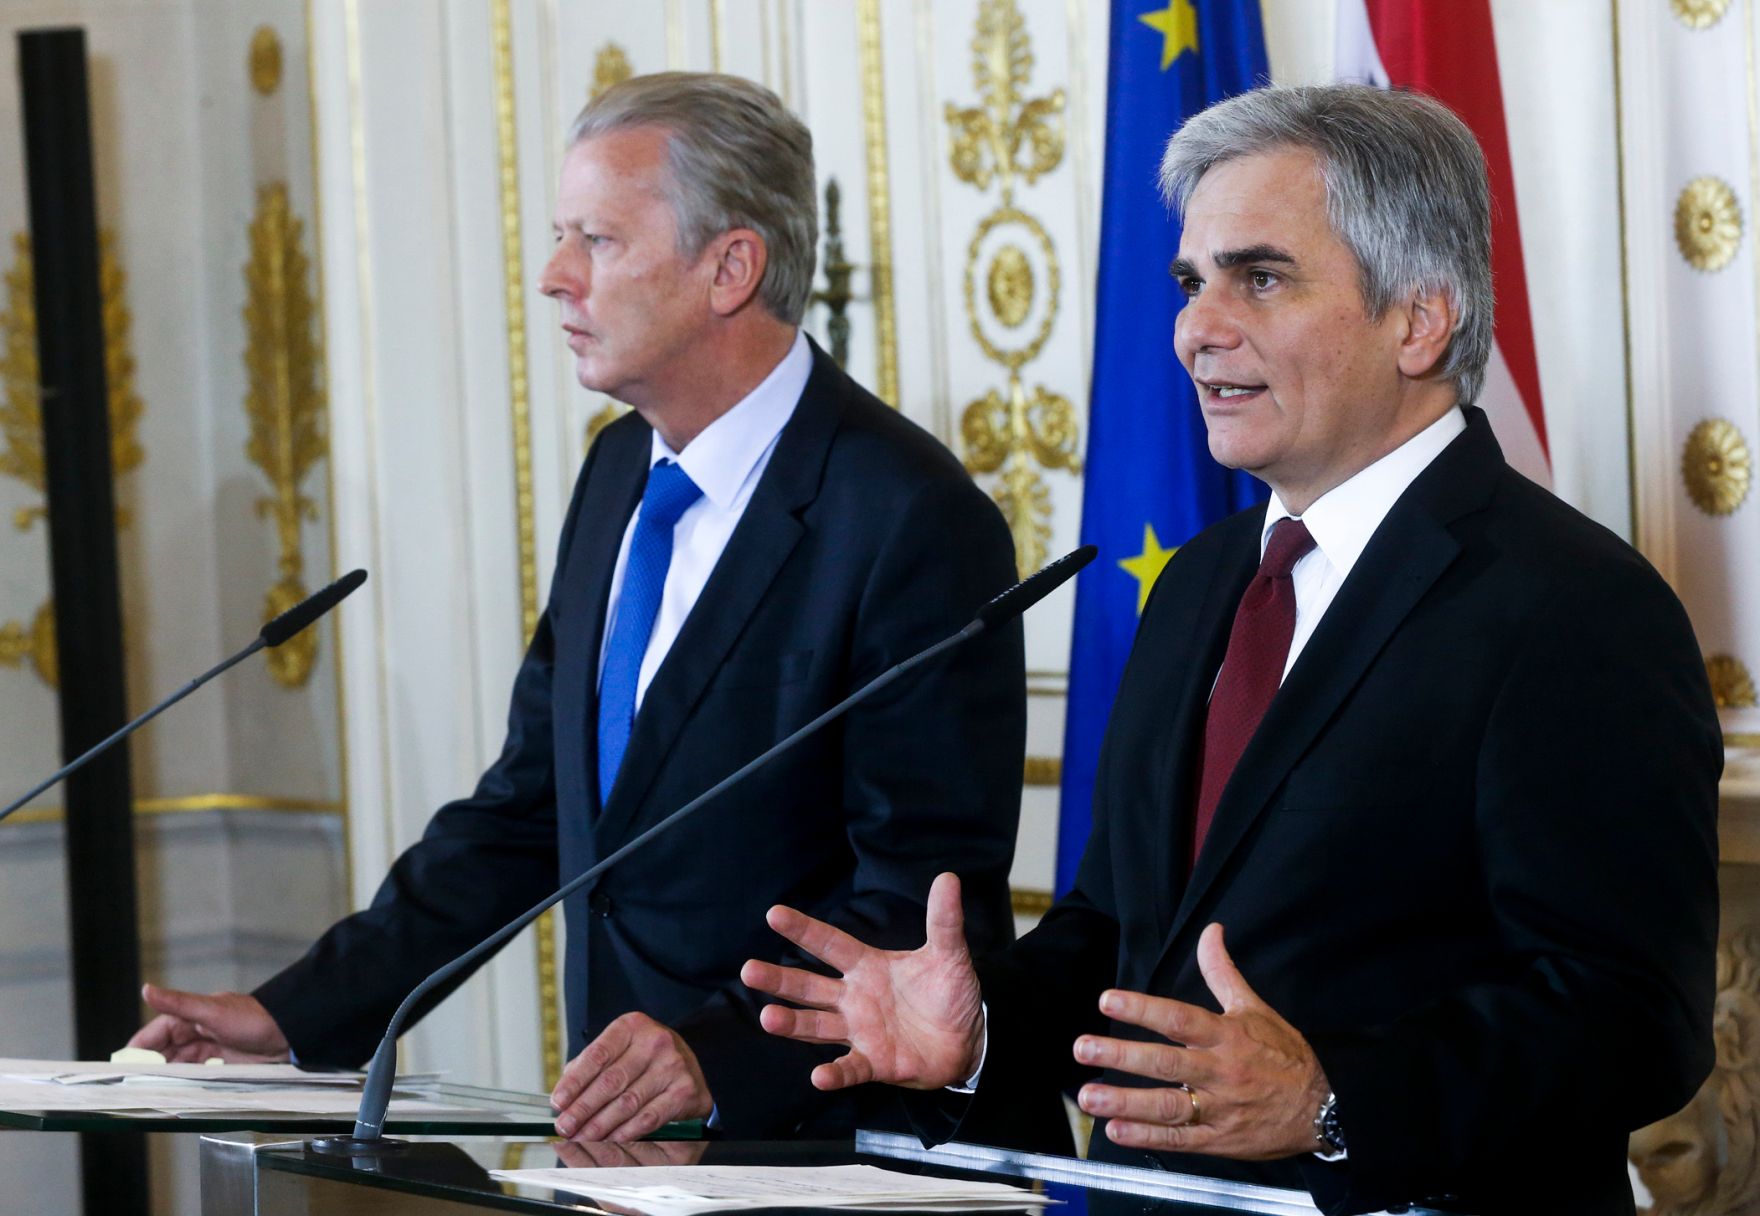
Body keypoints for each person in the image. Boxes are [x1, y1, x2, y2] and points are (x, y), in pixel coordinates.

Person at [743, 83, 1720, 1213]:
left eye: (1258, 277)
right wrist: (980, 1028)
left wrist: (1331, 1100)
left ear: (1418, 316)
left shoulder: (1572, 605)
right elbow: (1119, 936)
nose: (1196, 326)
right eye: (1189, 282)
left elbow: (1629, 1015)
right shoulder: (1199, 582)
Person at [128, 71, 1034, 1144]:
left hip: (828, 1149)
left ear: (730, 267)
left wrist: (716, 1051)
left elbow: (913, 907)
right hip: (626, 1149)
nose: (554, 277)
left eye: (595, 241)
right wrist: (292, 1012)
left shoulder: (908, 516)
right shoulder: (615, 477)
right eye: (561, 237)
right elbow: (528, 810)